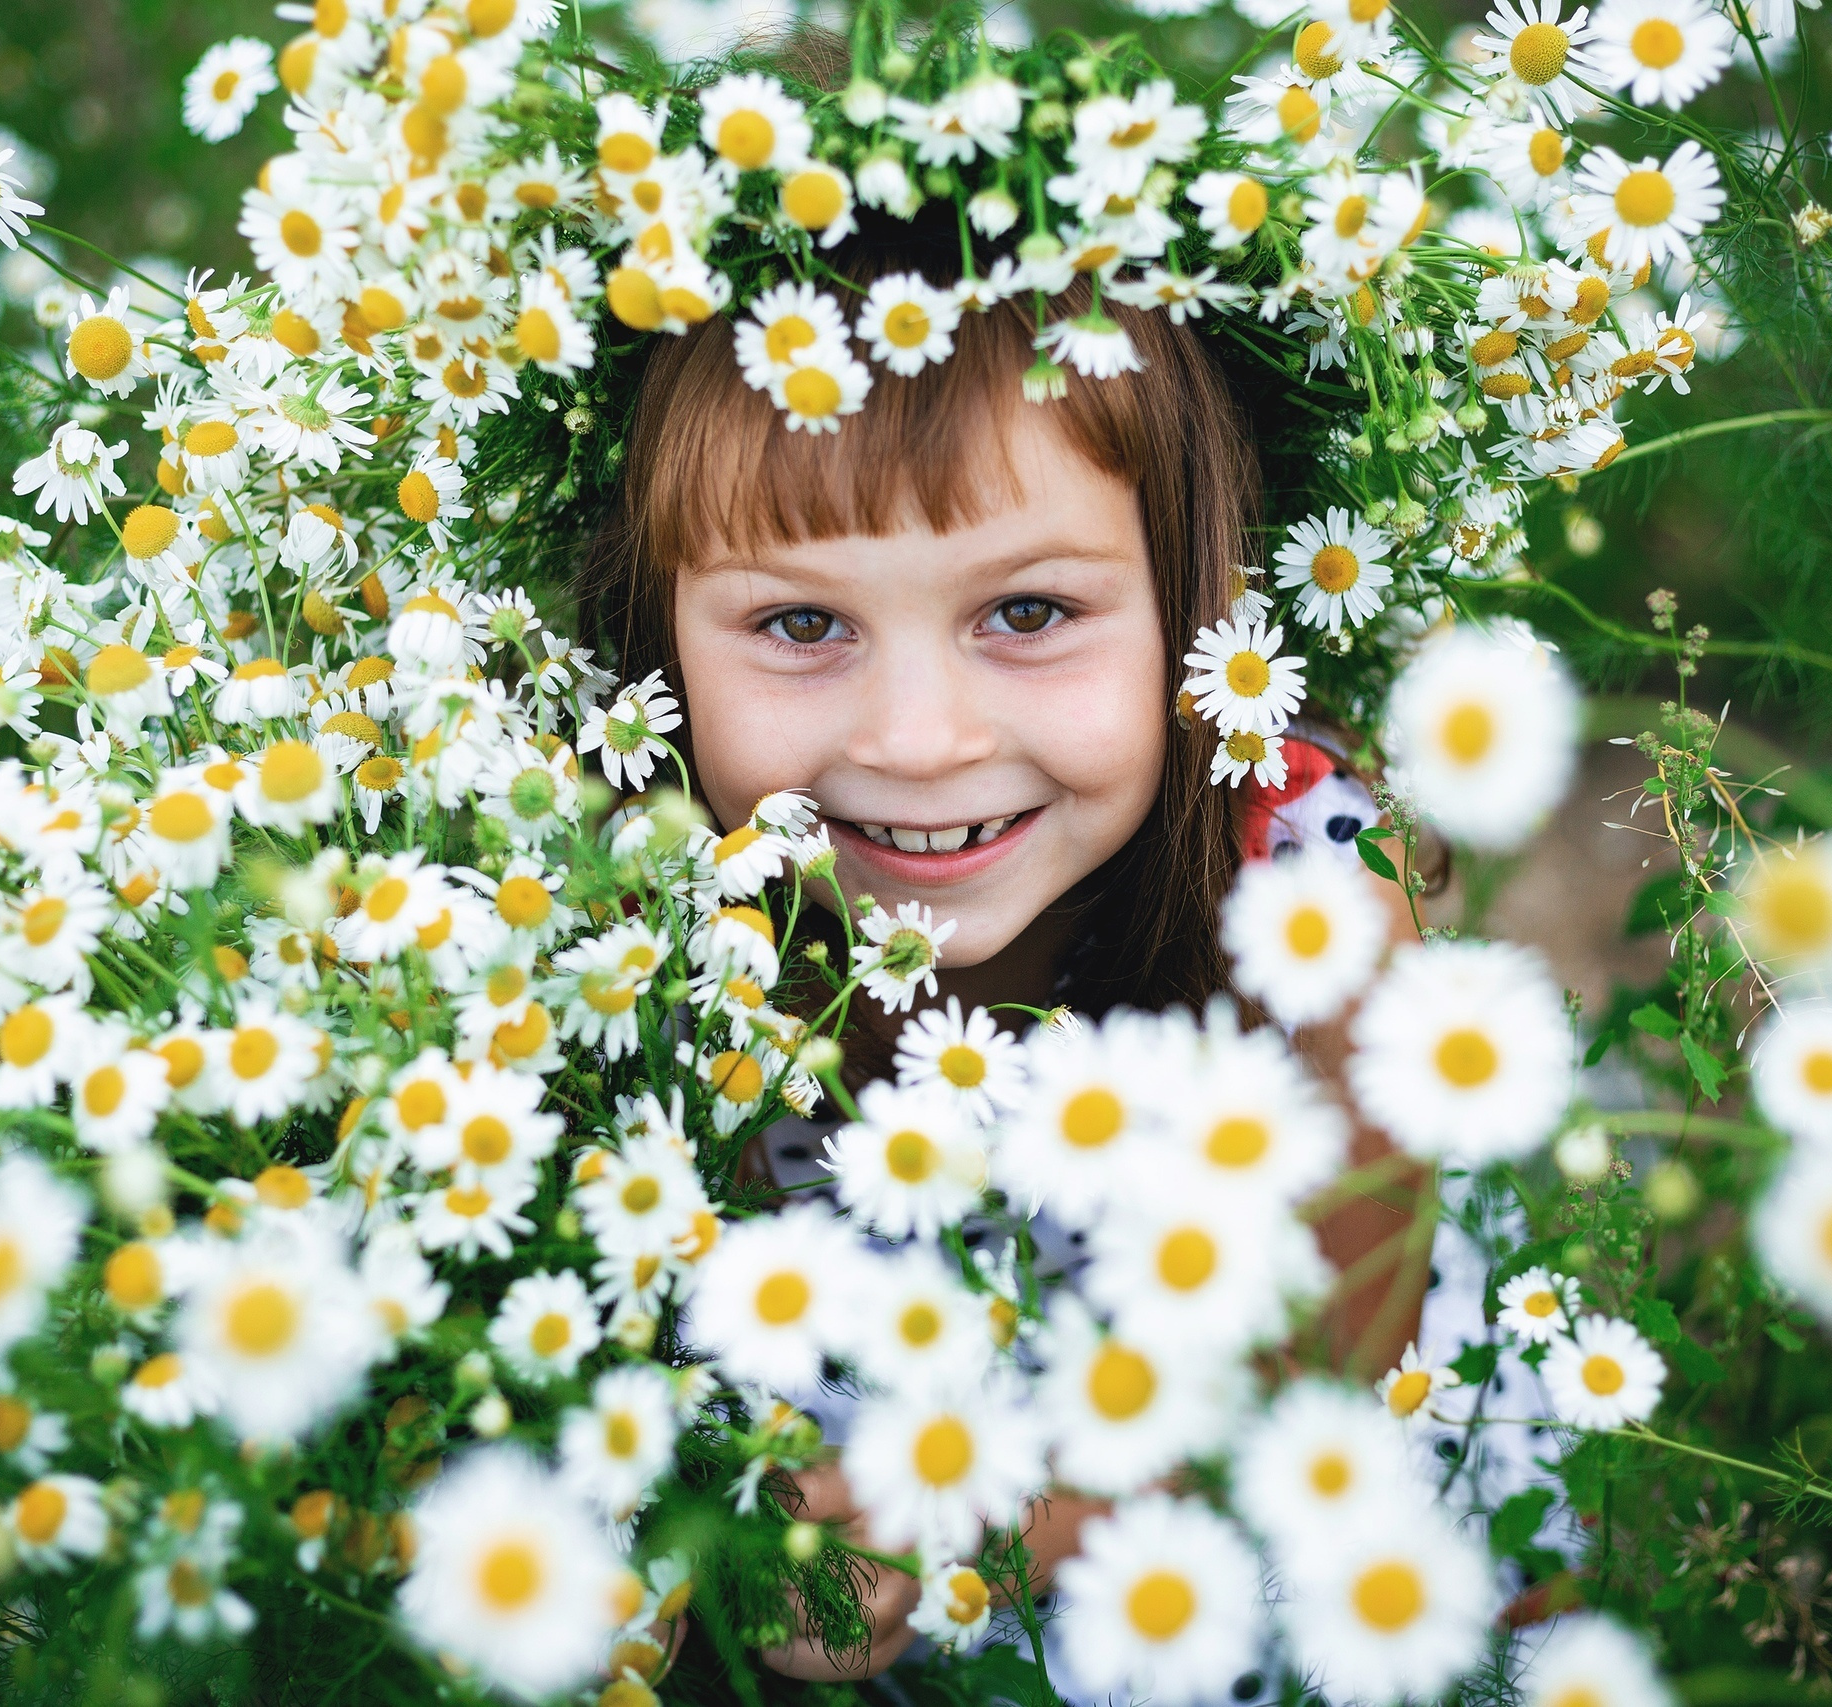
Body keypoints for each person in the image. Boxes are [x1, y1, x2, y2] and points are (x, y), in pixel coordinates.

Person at [587, 204, 1431, 1679]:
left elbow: (1320, 1406)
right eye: (798, 625)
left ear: (1193, 603)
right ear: (661, 640)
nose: (919, 744)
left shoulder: (1317, 915)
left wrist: (958, 1544)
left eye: (1028, 610)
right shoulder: (616, 933)